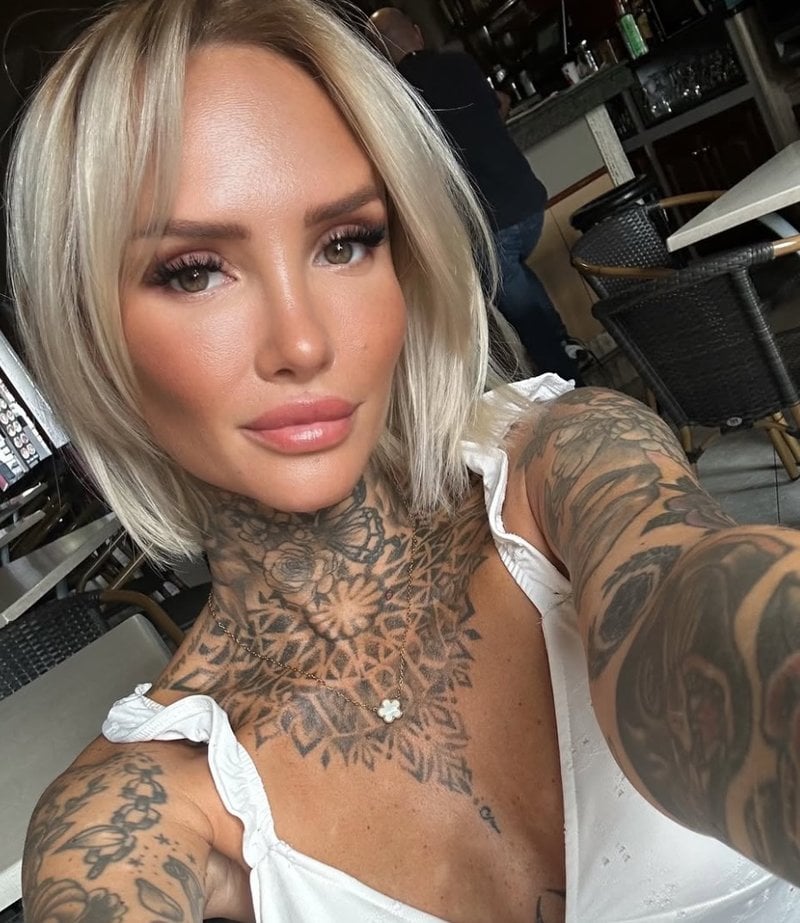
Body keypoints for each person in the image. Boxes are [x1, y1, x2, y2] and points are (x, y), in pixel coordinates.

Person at [7, 1, 800, 921]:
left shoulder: (567, 465)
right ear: (88, 330)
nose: (304, 341)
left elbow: (705, 608)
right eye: (193, 269)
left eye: (345, 243)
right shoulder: (134, 814)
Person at [369, 7, 582, 384]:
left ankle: (568, 383)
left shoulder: (396, 99)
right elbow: (499, 102)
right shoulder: (459, 64)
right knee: (518, 280)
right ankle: (565, 346)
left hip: (489, 224)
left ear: (381, 55)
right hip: (528, 205)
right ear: (417, 33)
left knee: (521, 314)